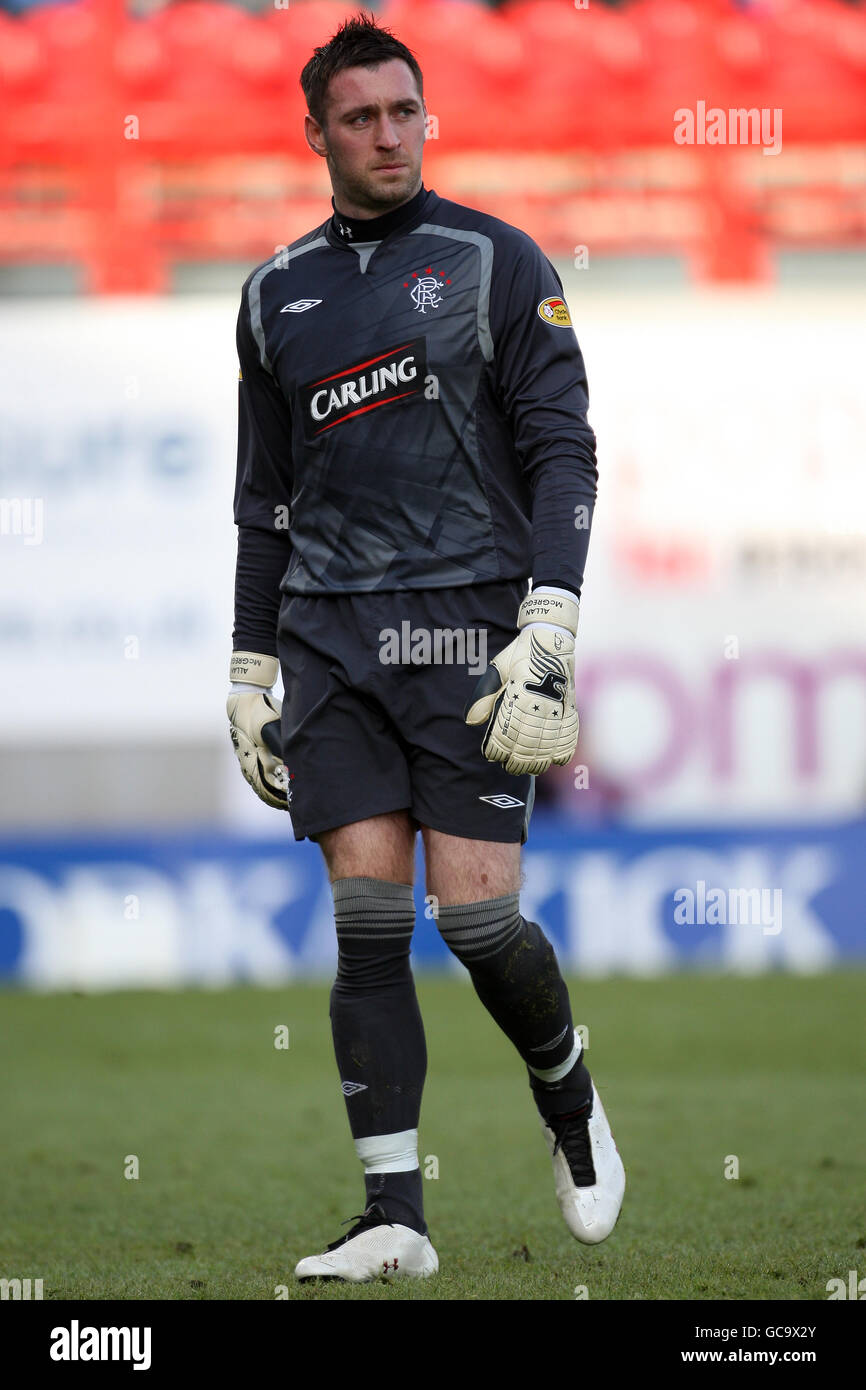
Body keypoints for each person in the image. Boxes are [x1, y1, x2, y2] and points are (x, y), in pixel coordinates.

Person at [226, 11, 624, 1284]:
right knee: (363, 921)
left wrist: (549, 615)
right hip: (329, 637)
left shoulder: (494, 260)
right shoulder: (271, 293)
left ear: (423, 115)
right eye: (360, 117)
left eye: (404, 110)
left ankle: (566, 1100)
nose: (388, 134)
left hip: (464, 621)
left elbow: (564, 446)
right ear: (317, 134)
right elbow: (263, 501)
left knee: (478, 922)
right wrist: (248, 667)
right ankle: (393, 1212)